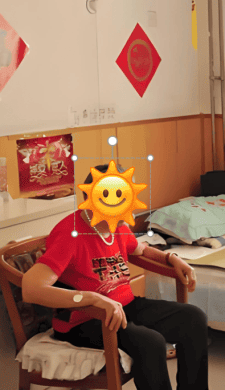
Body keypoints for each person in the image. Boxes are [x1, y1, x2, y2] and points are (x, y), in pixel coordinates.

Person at [22, 164, 209, 390]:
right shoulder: (70, 234)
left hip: (124, 307)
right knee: (151, 342)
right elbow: (31, 289)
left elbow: (140, 250)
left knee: (193, 318)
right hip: (85, 320)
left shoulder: (117, 224)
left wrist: (171, 258)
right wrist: (92, 298)